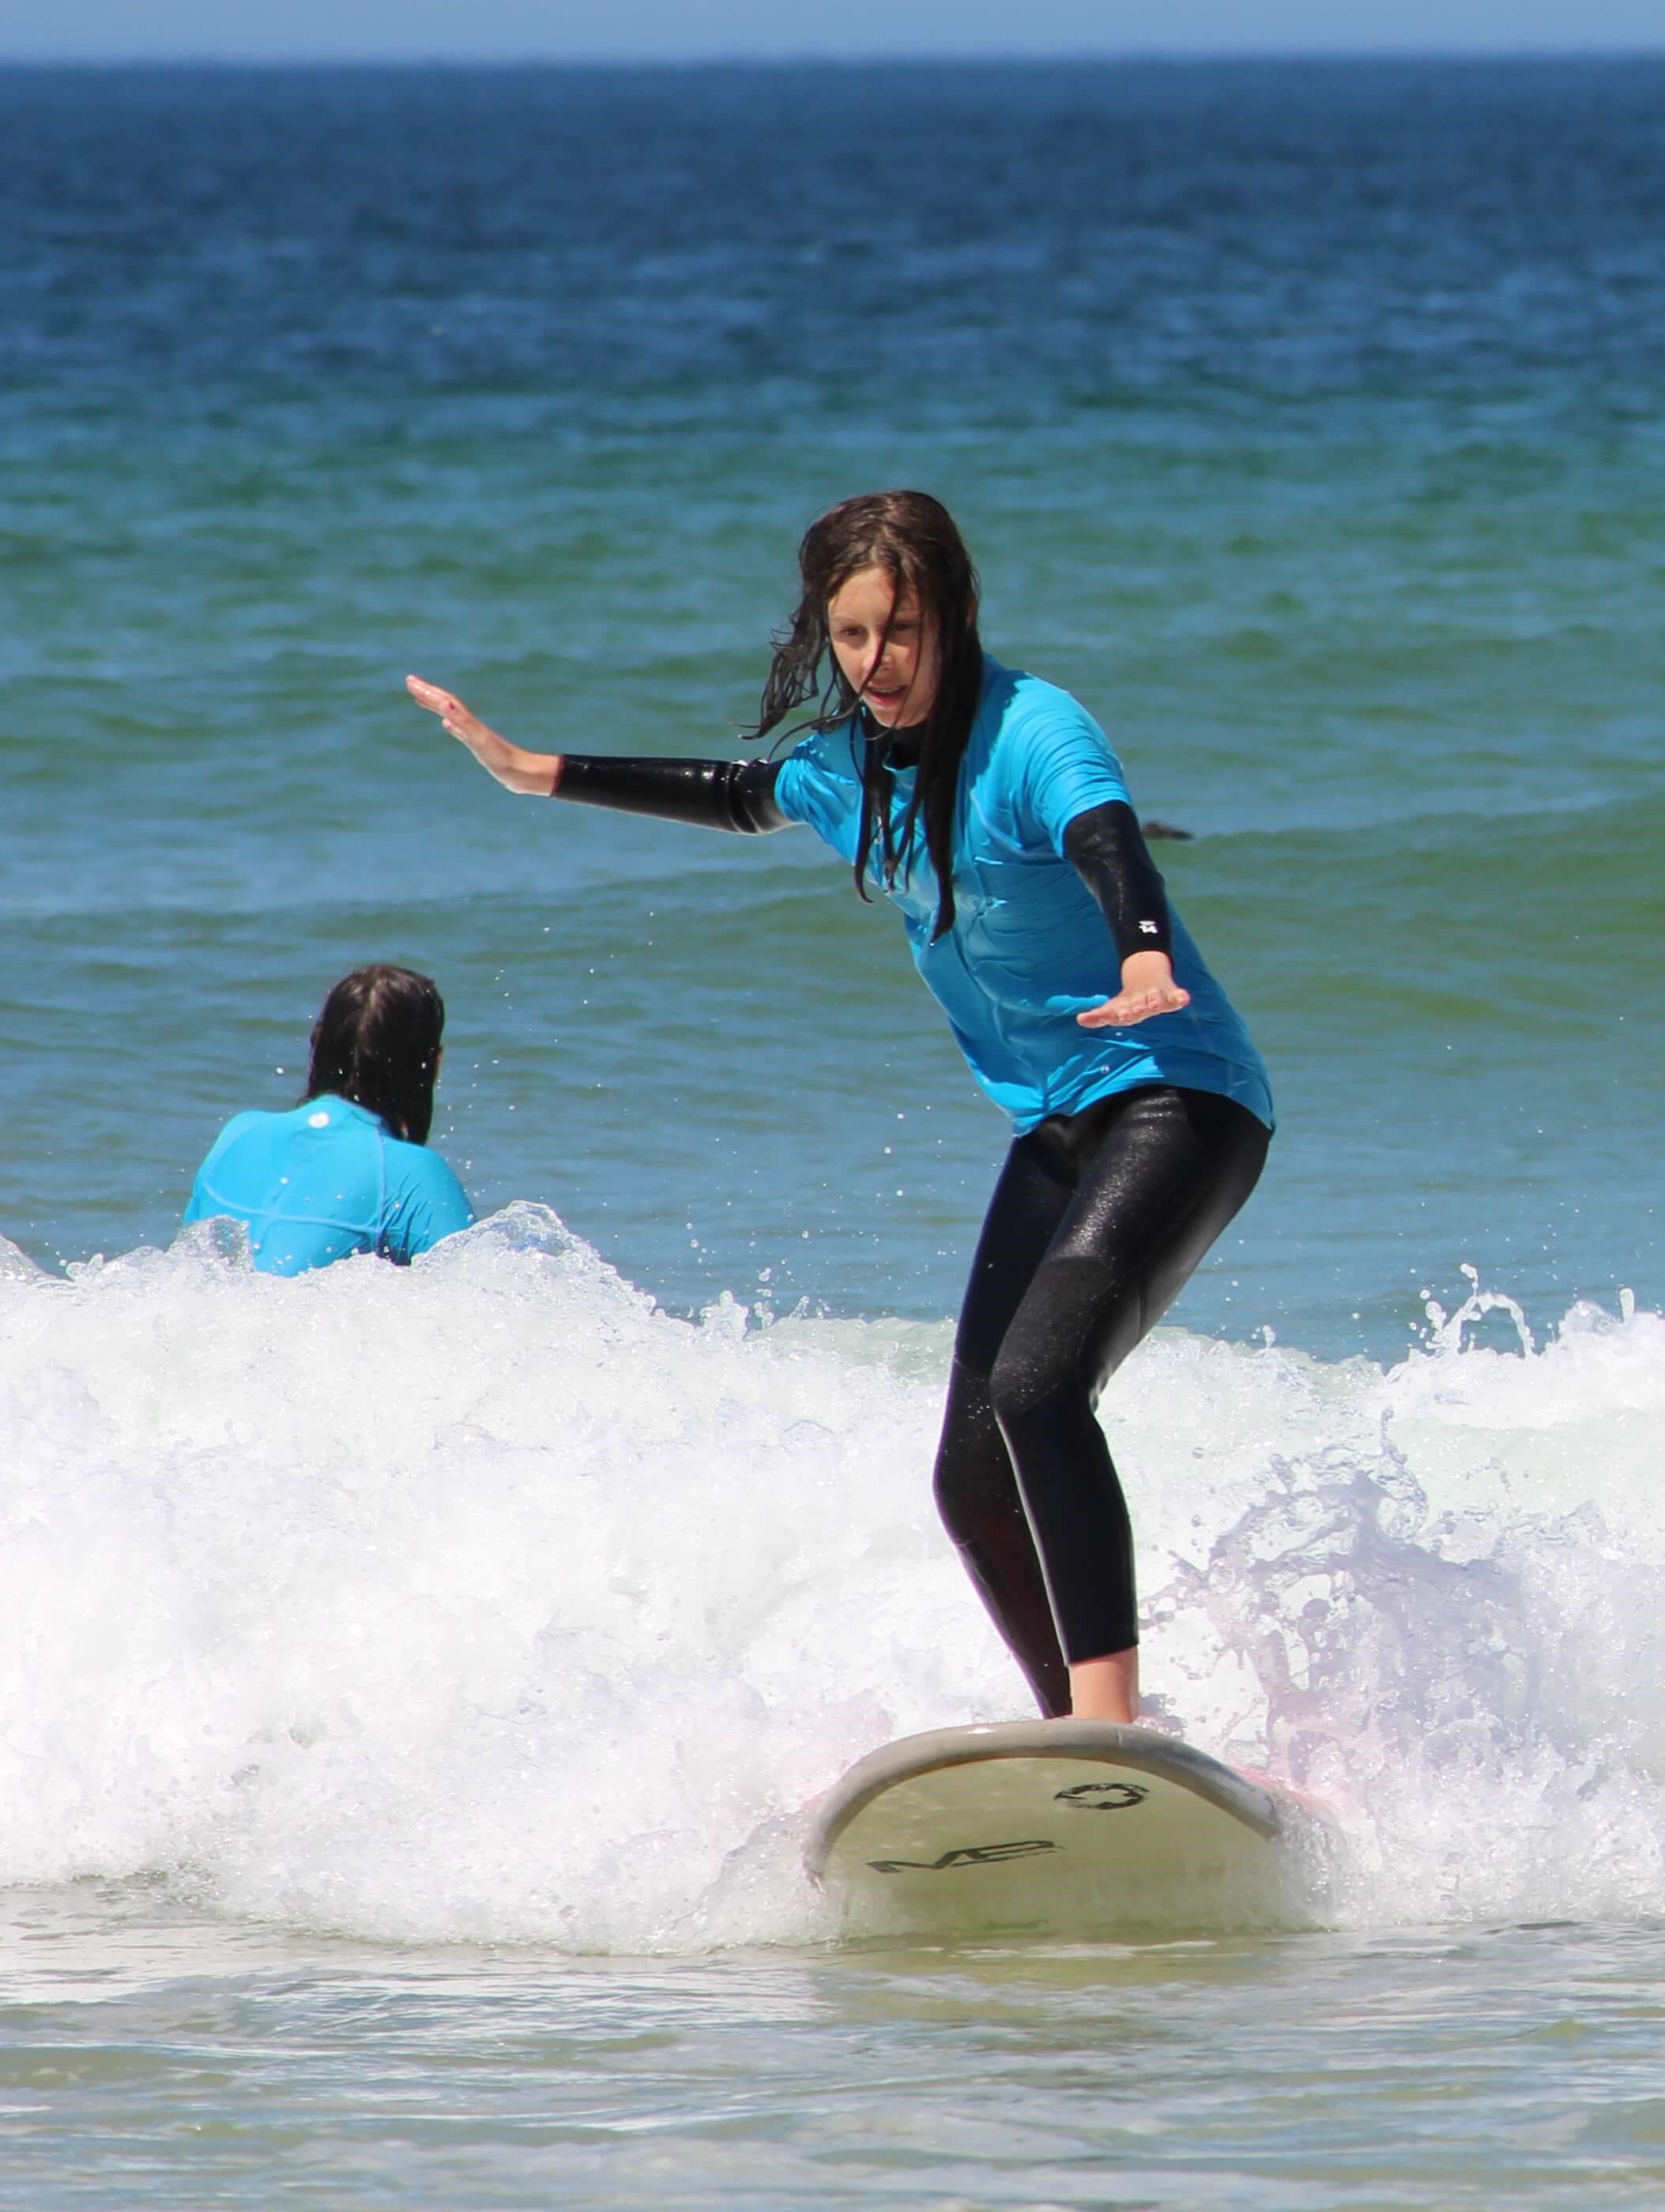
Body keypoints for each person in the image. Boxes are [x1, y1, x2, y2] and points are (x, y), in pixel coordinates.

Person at [403, 491, 1271, 1730]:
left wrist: (1143, 954)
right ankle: (1085, 1748)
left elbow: (1108, 838)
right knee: (971, 1478)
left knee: (1037, 1390)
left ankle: (1110, 1726)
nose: (875, 663)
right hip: (1057, 1128)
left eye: (901, 632)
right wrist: (536, 773)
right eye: (851, 635)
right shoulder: (847, 774)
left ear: (956, 616)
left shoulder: (1035, 732)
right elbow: (736, 791)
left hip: (1177, 1100)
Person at [183, 965, 475, 1273]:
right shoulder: (412, 1174)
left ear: (317, 1044)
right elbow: (474, 1302)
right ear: (432, 1065)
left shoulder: (238, 1133)